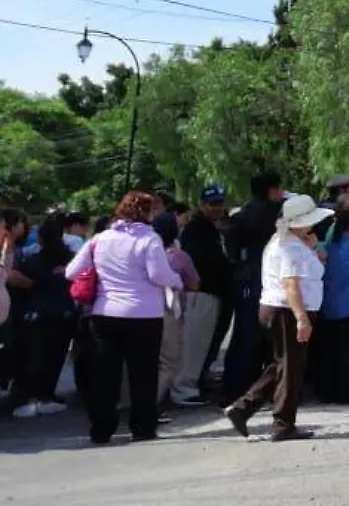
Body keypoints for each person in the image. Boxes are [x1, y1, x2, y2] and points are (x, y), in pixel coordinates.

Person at [66, 192, 185, 445]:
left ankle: (101, 428)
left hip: (104, 313)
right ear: (147, 213)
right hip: (144, 316)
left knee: (105, 375)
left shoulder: (100, 238)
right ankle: (142, 427)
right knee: (143, 375)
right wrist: (177, 280)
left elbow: (71, 271)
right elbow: (159, 274)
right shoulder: (150, 239)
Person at [225, 194, 331, 442]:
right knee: (291, 367)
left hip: (281, 308)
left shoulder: (288, 241)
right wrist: (302, 318)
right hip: (287, 309)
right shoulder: (289, 246)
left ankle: (243, 408)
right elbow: (290, 285)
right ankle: (282, 423)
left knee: (283, 363)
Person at [221, 170, 284, 402]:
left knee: (243, 337)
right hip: (266, 280)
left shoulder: (241, 215)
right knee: (265, 339)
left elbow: (232, 251)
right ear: (271, 190)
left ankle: (235, 388)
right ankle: (259, 390)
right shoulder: (275, 216)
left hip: (245, 281)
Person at [8, 213, 79, 418]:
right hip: (64, 313)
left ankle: (32, 399)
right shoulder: (70, 258)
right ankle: (47, 396)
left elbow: (18, 281)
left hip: (36, 314)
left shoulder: (33, 261)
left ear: (40, 238)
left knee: (35, 357)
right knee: (55, 357)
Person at [175, 185, 229, 406]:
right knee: (194, 343)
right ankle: (184, 388)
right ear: (202, 205)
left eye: (219, 203)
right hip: (202, 291)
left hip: (214, 291)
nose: (216, 208)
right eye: (212, 204)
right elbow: (199, 261)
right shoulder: (196, 228)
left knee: (207, 341)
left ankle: (197, 379)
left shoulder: (212, 227)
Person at [315, 208, 349, 404]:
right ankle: (346, 391)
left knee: (329, 349)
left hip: (329, 305)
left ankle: (326, 390)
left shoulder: (327, 245)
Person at [151, 211, 200, 406]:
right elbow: (194, 283)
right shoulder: (179, 257)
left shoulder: (148, 252)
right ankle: (150, 405)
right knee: (169, 361)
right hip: (168, 310)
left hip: (141, 310)